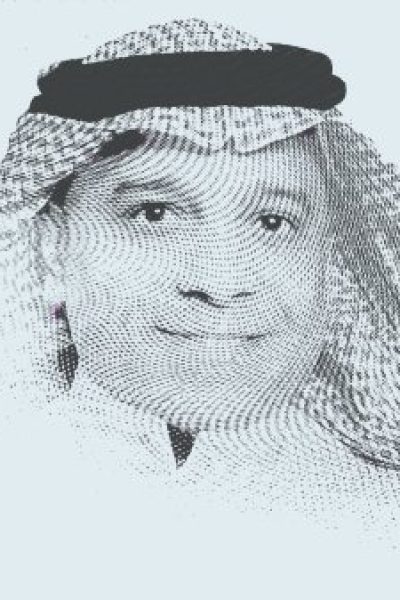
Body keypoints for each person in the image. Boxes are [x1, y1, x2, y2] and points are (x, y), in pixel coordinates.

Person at [1, 18, 400, 534]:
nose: (221, 281)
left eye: (272, 222)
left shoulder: (378, 515)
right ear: (52, 247)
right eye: (155, 214)